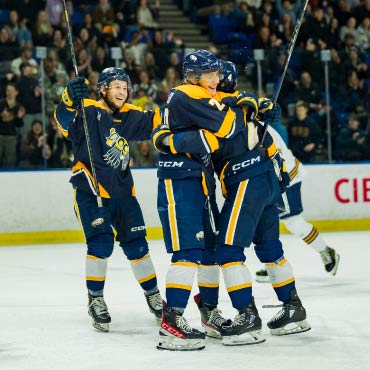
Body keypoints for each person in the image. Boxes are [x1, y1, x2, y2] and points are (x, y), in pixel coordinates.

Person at [155, 59, 311, 346]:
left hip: (245, 179)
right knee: (270, 249)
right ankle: (293, 309)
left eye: (216, 77)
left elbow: (219, 114)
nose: (213, 84)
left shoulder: (222, 105)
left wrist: (165, 139)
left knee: (227, 249)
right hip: (267, 181)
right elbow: (272, 146)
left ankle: (247, 316)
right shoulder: (243, 104)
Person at [151, 50, 250, 350]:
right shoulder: (188, 94)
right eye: (210, 75)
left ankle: (208, 312)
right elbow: (230, 127)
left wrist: (174, 139)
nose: (216, 80)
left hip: (199, 181)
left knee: (208, 250)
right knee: (188, 252)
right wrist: (240, 105)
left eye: (217, 74)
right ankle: (172, 320)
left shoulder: (185, 97)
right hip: (181, 182)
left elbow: (162, 132)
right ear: (194, 77)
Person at [54, 67, 163, 332]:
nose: (122, 92)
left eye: (125, 88)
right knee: (101, 244)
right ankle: (96, 299)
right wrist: (68, 99)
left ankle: (153, 296)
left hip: (124, 192)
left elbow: (162, 119)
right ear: (102, 89)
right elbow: (63, 122)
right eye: (116, 86)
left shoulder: (130, 116)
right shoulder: (88, 108)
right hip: (91, 189)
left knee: (138, 247)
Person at [255, 98, 340, 282]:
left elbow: (278, 161)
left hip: (286, 178)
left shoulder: (258, 130)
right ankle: (272, 262)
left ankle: (325, 251)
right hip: (272, 179)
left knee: (292, 221)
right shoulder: (250, 127)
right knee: (266, 220)